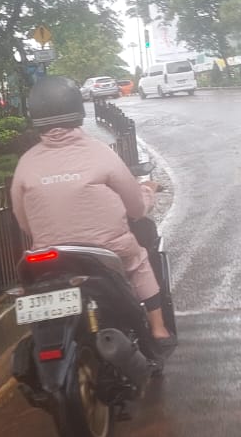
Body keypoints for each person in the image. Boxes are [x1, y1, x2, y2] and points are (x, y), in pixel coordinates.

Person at [11, 77, 174, 346]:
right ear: (78, 110)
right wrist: (147, 194)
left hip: (48, 255)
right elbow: (135, 207)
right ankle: (158, 330)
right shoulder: (101, 153)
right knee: (139, 261)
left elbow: (23, 219)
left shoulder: (26, 163)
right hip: (106, 251)